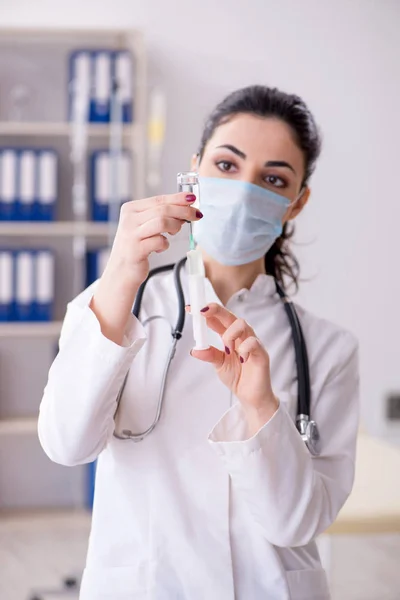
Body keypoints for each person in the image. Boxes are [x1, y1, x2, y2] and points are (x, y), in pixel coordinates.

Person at [38, 85, 359, 600]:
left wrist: (261, 408)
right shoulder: (120, 303)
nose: (246, 189)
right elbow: (66, 444)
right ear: (195, 170)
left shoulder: (328, 349)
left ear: (296, 204)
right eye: (227, 166)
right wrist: (121, 274)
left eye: (273, 179)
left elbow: (297, 524)